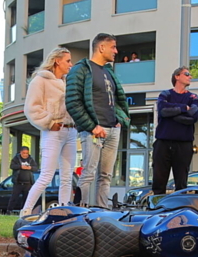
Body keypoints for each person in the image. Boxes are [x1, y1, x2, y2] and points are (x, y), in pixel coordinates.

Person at [66, 33, 131, 209]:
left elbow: (116, 99)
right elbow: (73, 102)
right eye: (113, 47)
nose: (116, 51)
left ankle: (103, 213)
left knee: (106, 175)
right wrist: (92, 126)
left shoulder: (109, 71)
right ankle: (79, 212)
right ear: (101, 47)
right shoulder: (80, 70)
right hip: (93, 131)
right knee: (88, 173)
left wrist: (119, 119)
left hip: (112, 130)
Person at [21, 46, 76, 216]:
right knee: (46, 175)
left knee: (67, 177)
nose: (70, 64)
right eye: (68, 60)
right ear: (57, 61)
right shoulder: (40, 80)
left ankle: (64, 212)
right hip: (53, 132)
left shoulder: (69, 81)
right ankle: (26, 211)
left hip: (71, 131)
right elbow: (31, 108)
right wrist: (49, 122)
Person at [152, 67, 198, 195]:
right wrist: (184, 107)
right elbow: (162, 110)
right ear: (177, 76)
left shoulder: (192, 97)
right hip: (163, 143)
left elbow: (193, 116)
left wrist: (172, 115)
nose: (190, 77)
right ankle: (157, 207)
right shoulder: (165, 94)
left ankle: (179, 208)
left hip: (183, 144)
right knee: (159, 179)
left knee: (181, 181)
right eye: (187, 74)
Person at [7, 146, 39, 214]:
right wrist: (20, 166)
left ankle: (24, 212)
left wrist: (30, 167)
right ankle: (9, 211)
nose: (25, 155)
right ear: (21, 152)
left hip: (28, 183)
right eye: (24, 153)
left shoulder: (30, 159)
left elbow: (36, 168)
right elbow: (12, 166)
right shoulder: (16, 158)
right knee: (14, 198)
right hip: (18, 183)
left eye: (26, 153)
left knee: (26, 198)